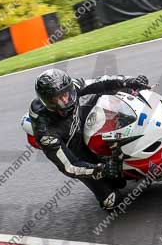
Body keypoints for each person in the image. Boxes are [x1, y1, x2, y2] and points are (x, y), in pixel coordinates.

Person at [22, 68, 149, 211]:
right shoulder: (45, 131)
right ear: (47, 102)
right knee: (113, 201)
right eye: (58, 99)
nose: (66, 101)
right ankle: (108, 176)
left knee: (117, 90)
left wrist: (129, 81)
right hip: (76, 154)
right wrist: (101, 170)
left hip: (81, 122)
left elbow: (101, 82)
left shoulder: (72, 87)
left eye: (67, 94)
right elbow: (69, 166)